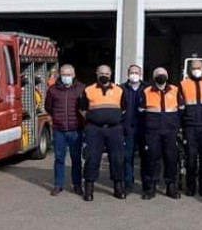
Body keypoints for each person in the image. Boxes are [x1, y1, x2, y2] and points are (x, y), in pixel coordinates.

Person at [79, 65, 126, 201]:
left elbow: (124, 108)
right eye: (101, 73)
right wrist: (95, 118)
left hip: (114, 129)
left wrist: (113, 118)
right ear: (97, 74)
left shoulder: (119, 90)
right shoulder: (88, 90)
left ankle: (119, 188)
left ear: (110, 75)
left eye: (106, 73)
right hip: (94, 129)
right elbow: (82, 109)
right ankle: (89, 190)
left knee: (117, 158)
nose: (104, 75)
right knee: (92, 158)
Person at [140, 67, 183, 200]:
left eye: (163, 74)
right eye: (158, 74)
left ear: (167, 76)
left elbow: (181, 111)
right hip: (152, 132)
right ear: (154, 77)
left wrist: (177, 127)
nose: (161, 76)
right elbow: (141, 113)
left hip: (170, 131)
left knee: (171, 159)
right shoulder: (146, 91)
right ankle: (151, 186)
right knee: (152, 159)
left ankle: (171, 186)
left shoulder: (175, 90)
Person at [44, 64, 85, 196]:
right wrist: (56, 118)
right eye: (63, 74)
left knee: (76, 159)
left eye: (69, 74)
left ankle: (77, 184)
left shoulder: (82, 88)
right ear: (59, 75)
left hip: (76, 129)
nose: (66, 77)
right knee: (59, 158)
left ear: (74, 75)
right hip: (59, 130)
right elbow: (48, 107)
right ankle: (58, 184)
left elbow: (86, 107)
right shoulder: (52, 90)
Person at [181, 59, 202, 197]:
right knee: (190, 158)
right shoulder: (183, 84)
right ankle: (190, 186)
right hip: (189, 126)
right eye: (193, 67)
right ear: (190, 69)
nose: (196, 70)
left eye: (198, 67)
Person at [121, 64, 146, 190]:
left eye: (136, 72)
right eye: (132, 72)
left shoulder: (147, 88)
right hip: (127, 128)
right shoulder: (121, 89)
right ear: (128, 73)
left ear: (140, 74)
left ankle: (146, 183)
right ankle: (128, 182)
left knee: (145, 157)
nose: (134, 74)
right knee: (127, 156)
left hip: (144, 128)